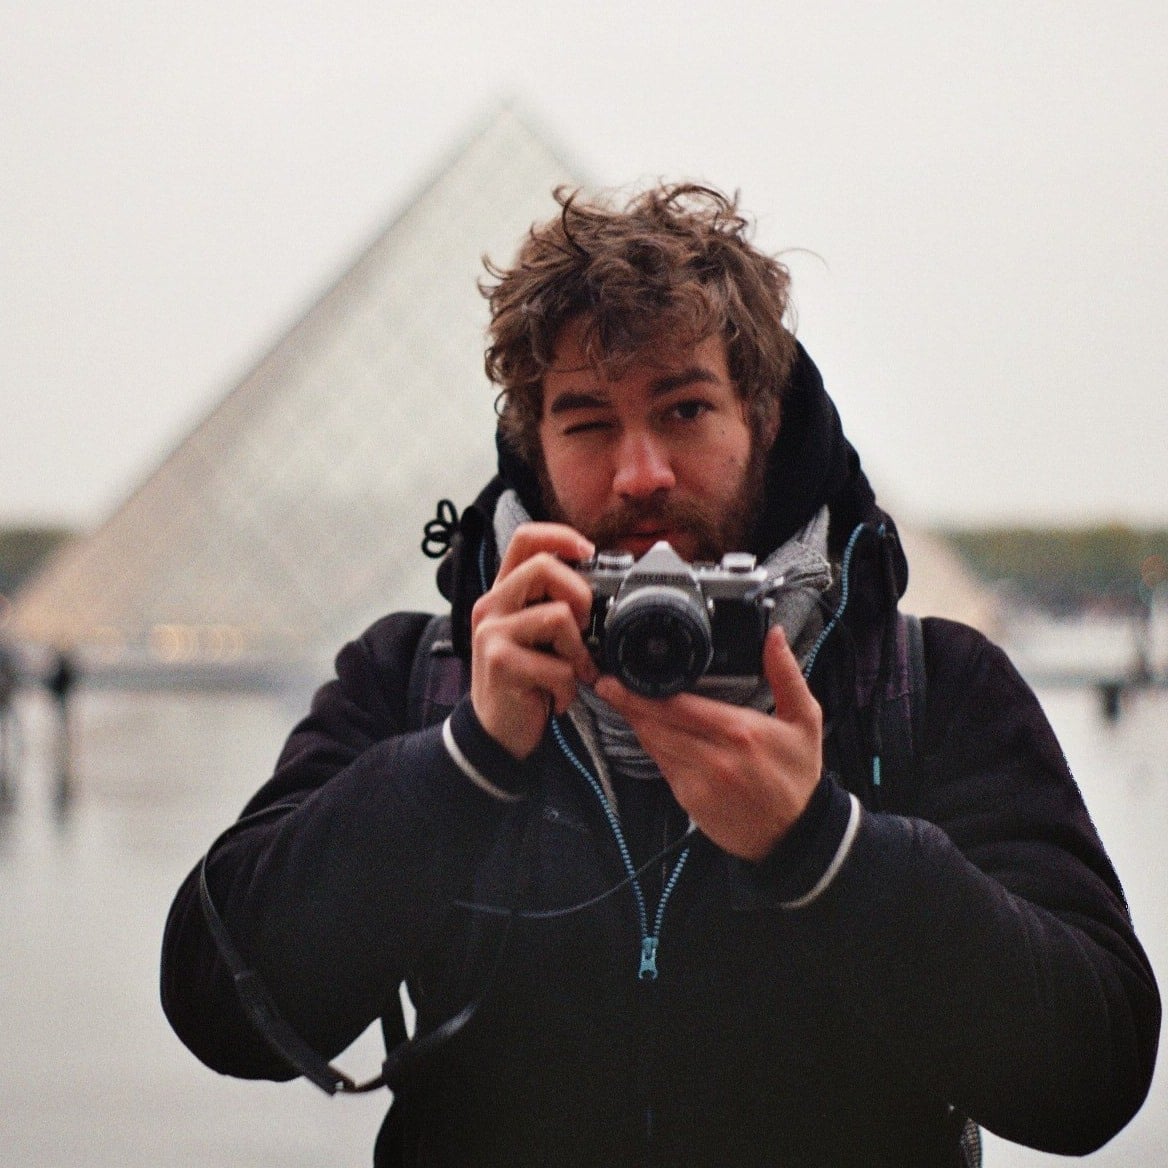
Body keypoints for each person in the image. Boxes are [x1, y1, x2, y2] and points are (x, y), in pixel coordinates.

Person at [161, 185, 1159, 1167]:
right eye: (588, 422)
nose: (641, 472)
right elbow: (221, 1007)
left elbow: (1094, 1074)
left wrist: (823, 847)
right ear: (534, 449)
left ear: (763, 418)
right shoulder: (415, 680)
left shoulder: (924, 686)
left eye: (684, 409)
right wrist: (463, 761)